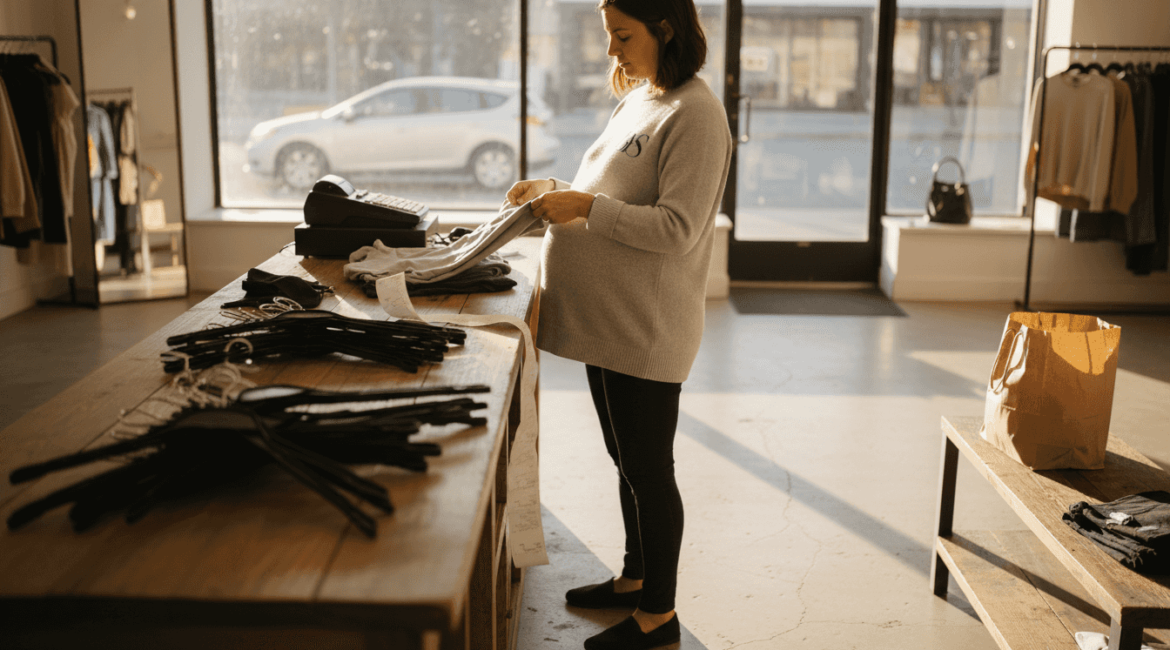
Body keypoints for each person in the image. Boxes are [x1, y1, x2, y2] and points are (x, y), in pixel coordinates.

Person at [506, 0, 732, 647]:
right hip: (609, 323)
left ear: (665, 29)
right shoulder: (644, 99)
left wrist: (582, 205)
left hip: (645, 328)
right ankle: (635, 577)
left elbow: (677, 229)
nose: (612, 51)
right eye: (609, 35)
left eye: (622, 35)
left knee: (649, 468)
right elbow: (615, 194)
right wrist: (553, 190)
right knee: (625, 459)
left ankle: (658, 616)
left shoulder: (696, 113)